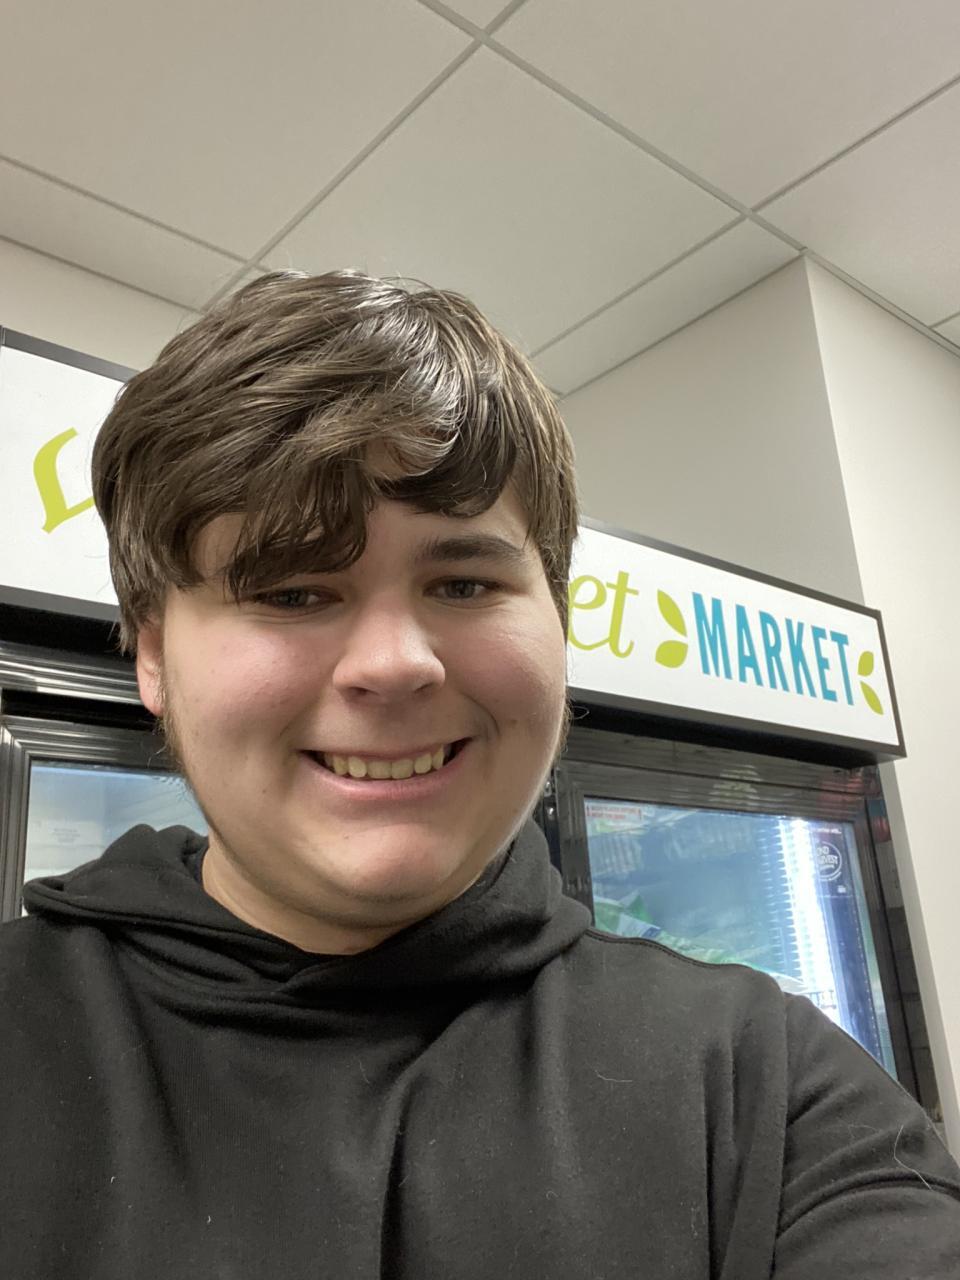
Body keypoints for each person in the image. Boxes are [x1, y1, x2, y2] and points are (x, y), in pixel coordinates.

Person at [1, 270, 958, 1280]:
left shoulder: (768, 1088)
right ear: (153, 655)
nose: (394, 663)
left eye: (463, 582)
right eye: (291, 591)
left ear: (559, 620)